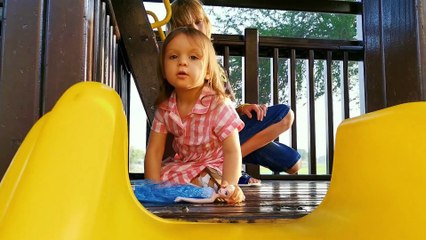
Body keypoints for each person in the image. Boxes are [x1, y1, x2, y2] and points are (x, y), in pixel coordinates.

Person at [168, 0, 302, 185]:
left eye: (197, 22)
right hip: (207, 139)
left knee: (294, 163)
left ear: (206, 23)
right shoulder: (181, 64)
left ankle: (224, 165)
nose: (194, 29)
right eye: (186, 26)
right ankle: (226, 166)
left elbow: (224, 106)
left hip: (227, 131)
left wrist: (241, 109)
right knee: (285, 115)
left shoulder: (216, 65)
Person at [144, 27, 245, 203]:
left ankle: (226, 192)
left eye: (193, 57)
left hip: (215, 165)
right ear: (164, 67)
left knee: (213, 181)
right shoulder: (165, 108)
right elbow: (154, 151)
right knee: (161, 175)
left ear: (207, 71)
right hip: (185, 165)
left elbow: (232, 151)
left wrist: (229, 185)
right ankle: (189, 191)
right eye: (173, 56)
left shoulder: (218, 105)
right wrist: (153, 189)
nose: (182, 62)